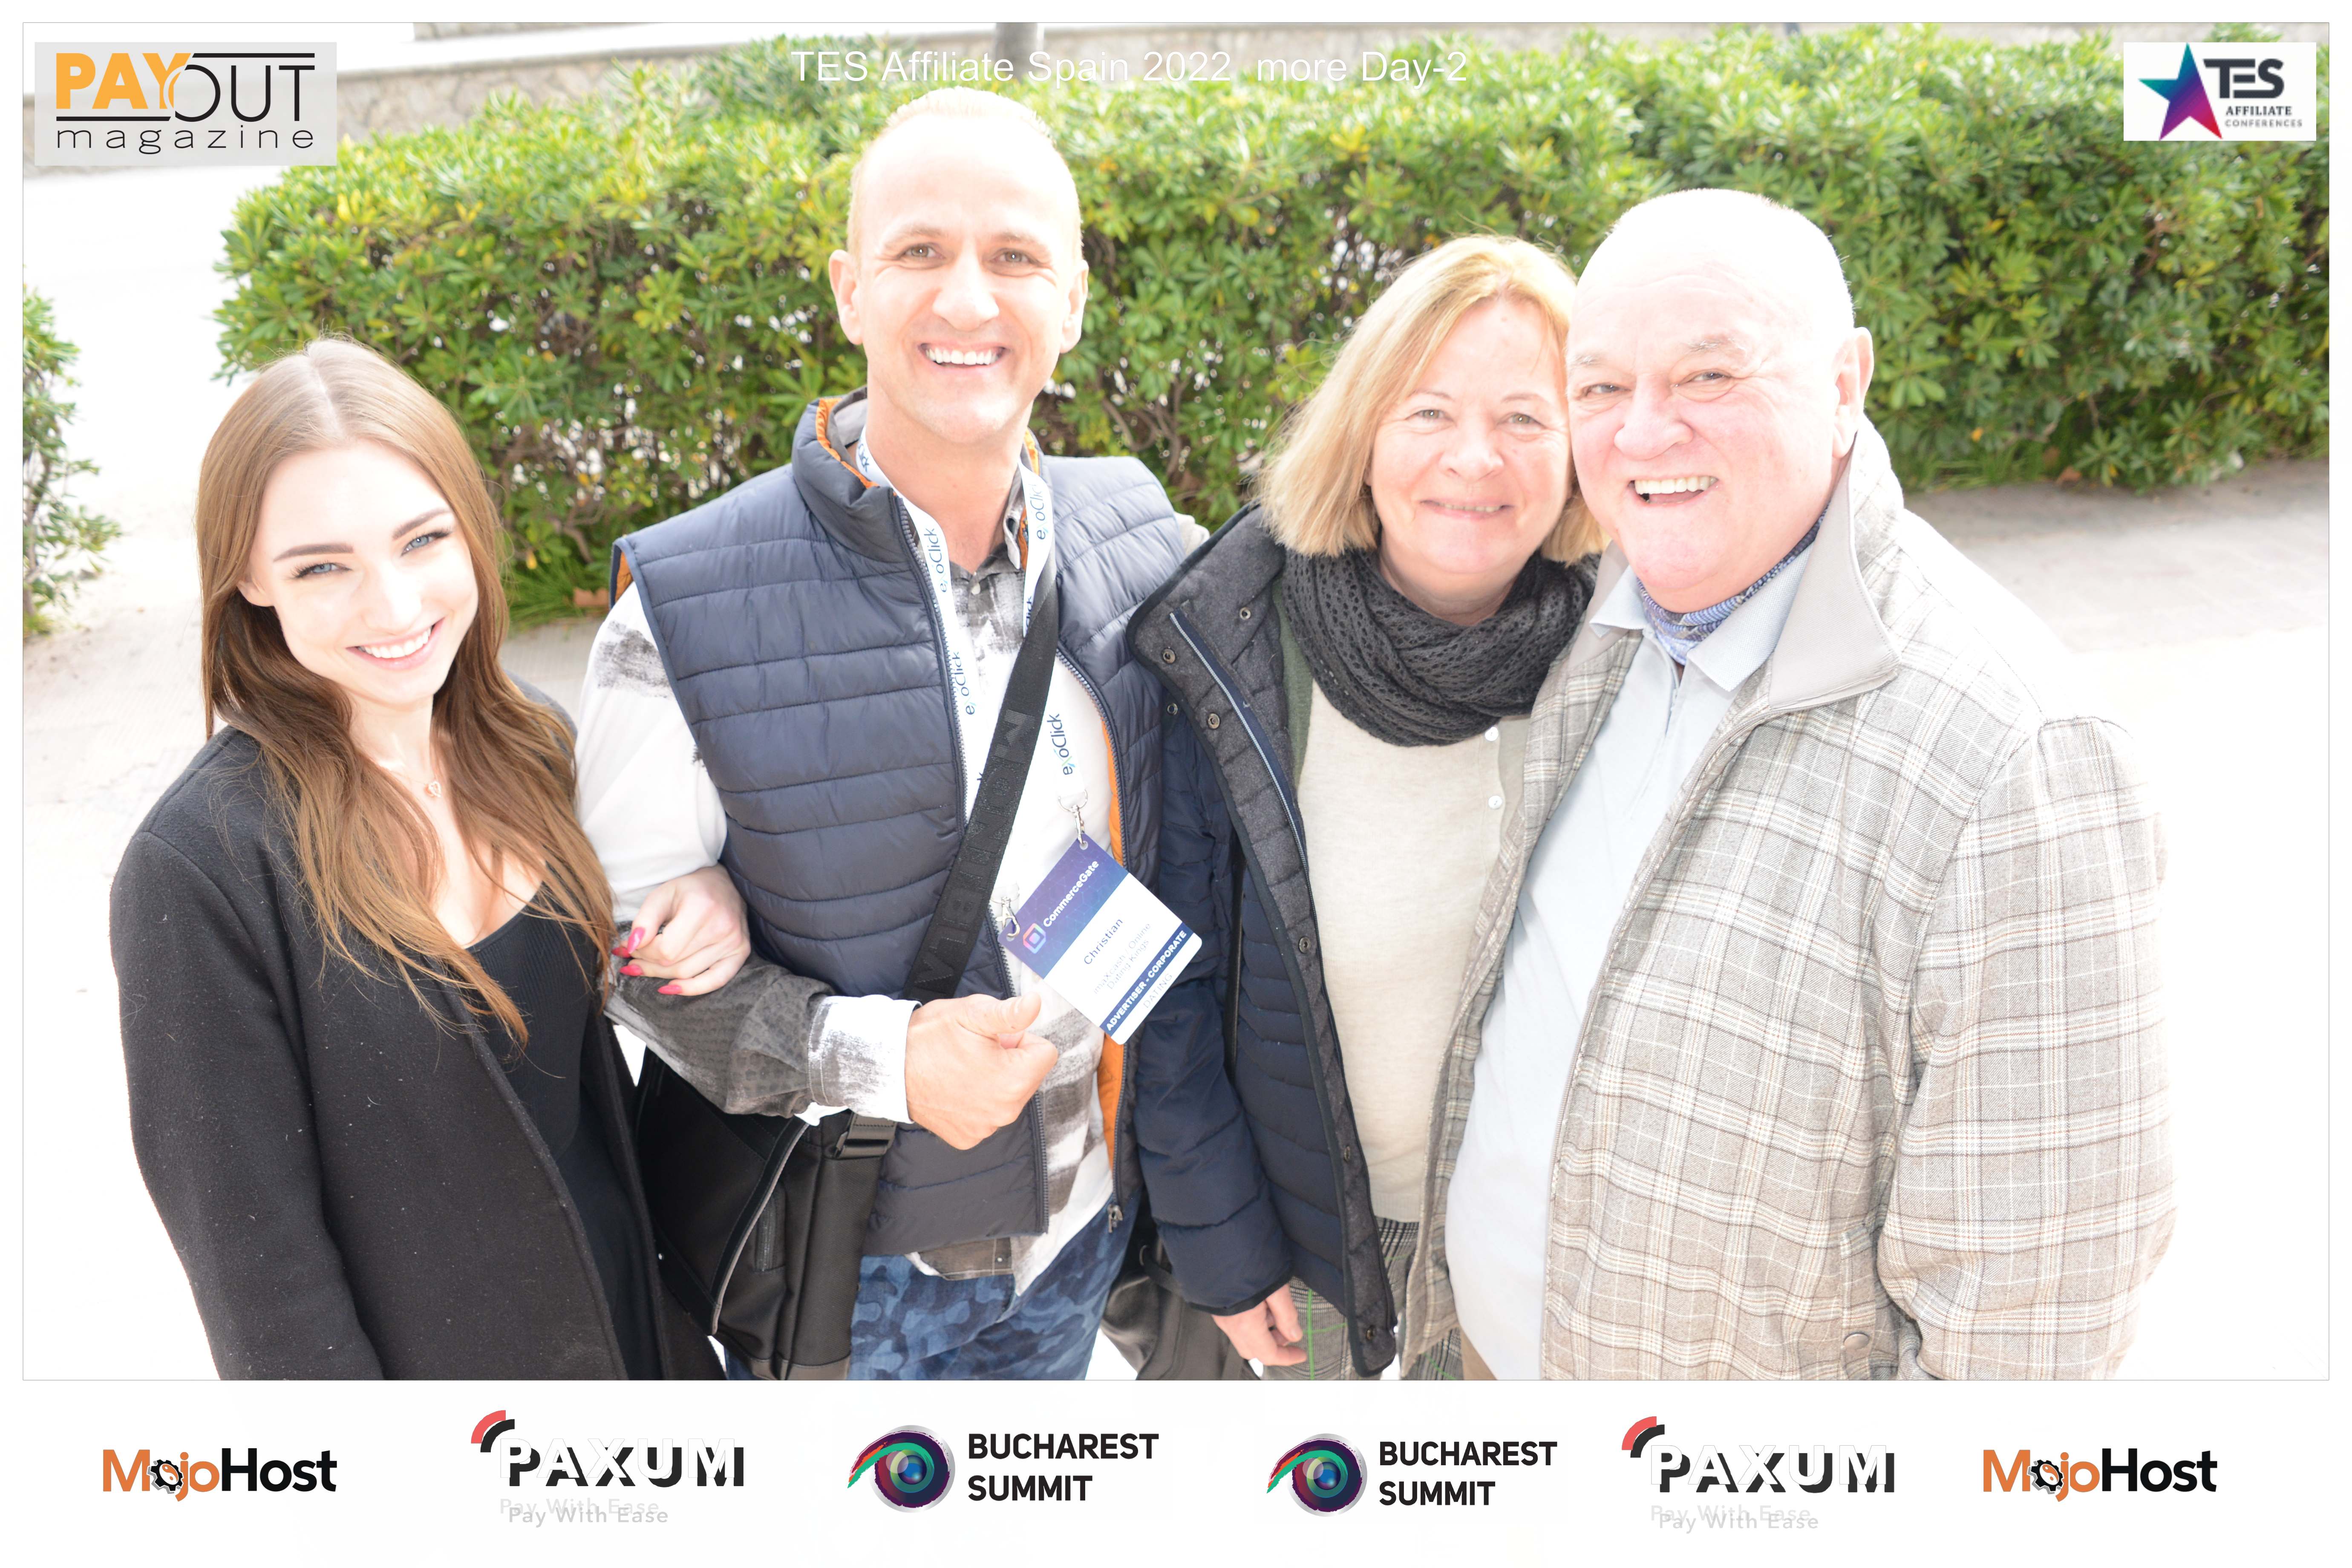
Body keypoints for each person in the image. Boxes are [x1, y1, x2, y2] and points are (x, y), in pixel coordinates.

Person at [1402, 188, 2173, 1379]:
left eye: (1709, 377)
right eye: (1600, 389)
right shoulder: (1616, 614)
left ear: (1846, 381)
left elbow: (2033, 1333)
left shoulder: (2019, 756)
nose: (1643, 435)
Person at [574, 88, 1203, 1380]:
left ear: (1074, 302)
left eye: (1015, 256)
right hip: (851, 1276)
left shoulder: (1146, 544)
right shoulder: (684, 605)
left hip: (1084, 1234)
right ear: (851, 291)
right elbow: (625, 956)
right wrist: (882, 1060)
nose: (968, 299)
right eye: (921, 251)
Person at [110, 338, 729, 1378]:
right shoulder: (201, 869)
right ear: (249, 578)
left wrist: (705, 893)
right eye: (322, 566)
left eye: (422, 539)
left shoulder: (533, 743)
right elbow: (263, 1288)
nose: (394, 607)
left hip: (638, 1348)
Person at [1124, 236, 1600, 1378]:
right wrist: (1223, 1244)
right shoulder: (1238, 651)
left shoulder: (1626, 648)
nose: (1474, 458)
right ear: (1364, 437)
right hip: (1321, 1261)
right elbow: (1166, 984)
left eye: (1525, 418)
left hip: (1559, 1255)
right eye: (1428, 412)